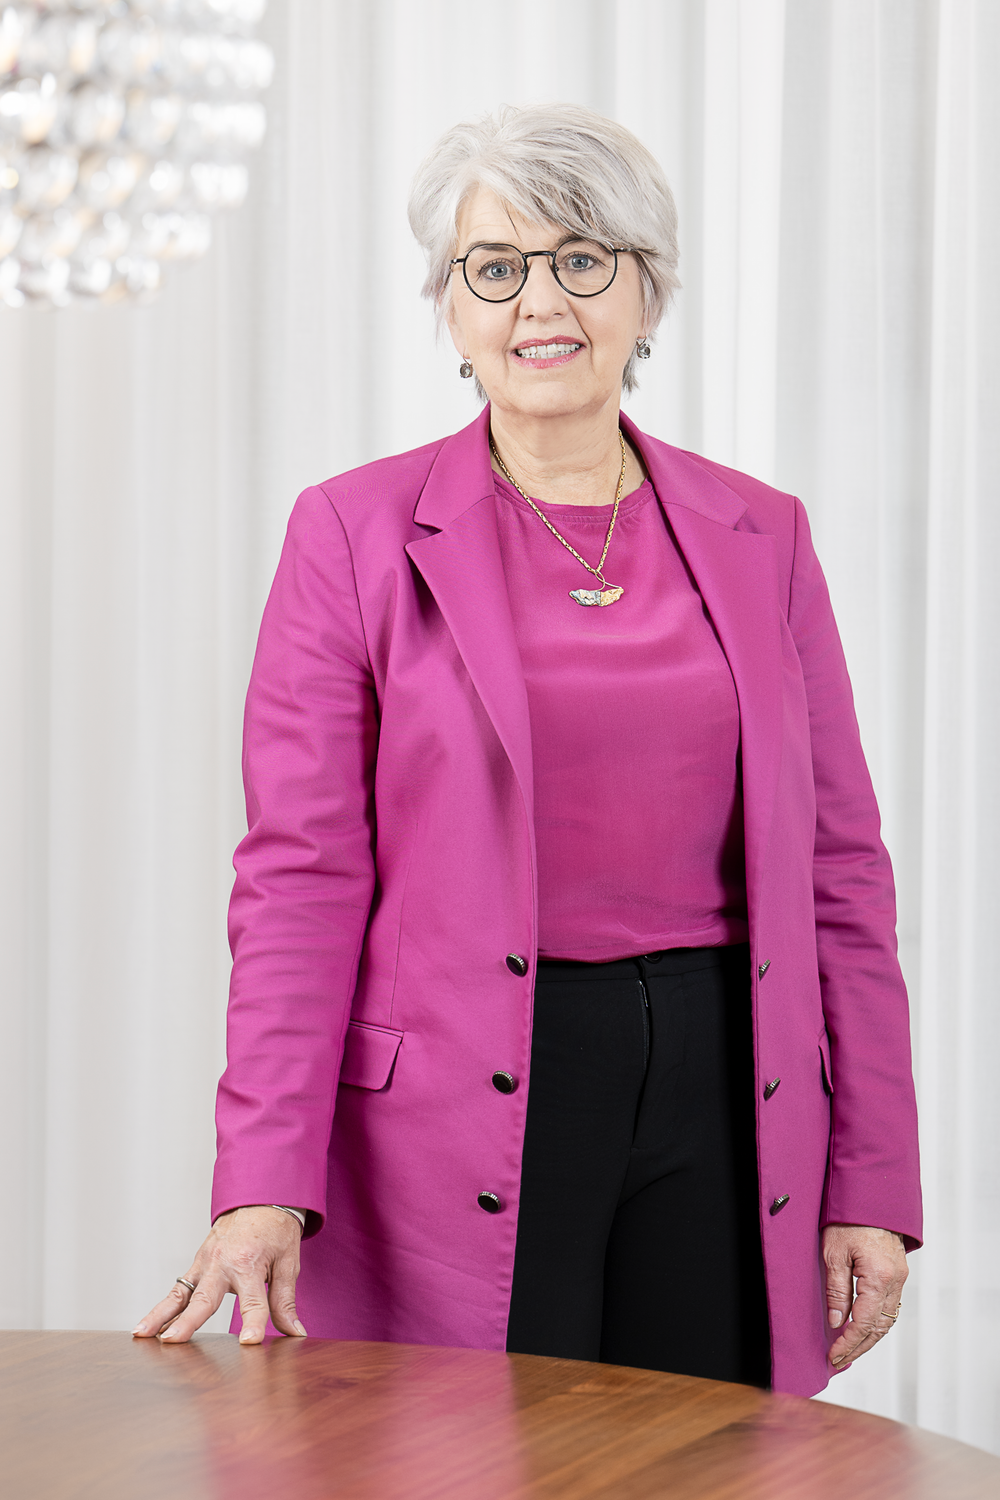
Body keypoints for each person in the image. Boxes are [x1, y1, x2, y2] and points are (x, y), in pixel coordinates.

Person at [134, 103, 921, 1396]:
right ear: (450, 306)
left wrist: (876, 1178)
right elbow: (298, 884)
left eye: (581, 258)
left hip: (728, 1094)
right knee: (475, 1459)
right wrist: (261, 1182)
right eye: (494, 268)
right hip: (463, 1100)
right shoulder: (351, 536)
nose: (537, 301)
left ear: (646, 290)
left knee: (704, 1465)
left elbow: (845, 873)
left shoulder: (761, 534)